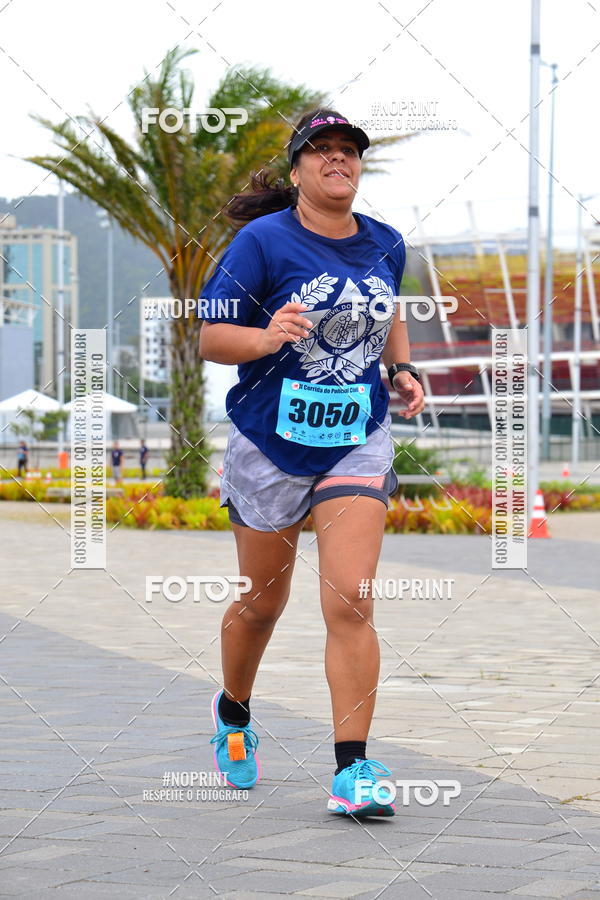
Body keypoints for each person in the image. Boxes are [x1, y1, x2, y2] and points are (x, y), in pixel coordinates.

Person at [199, 108, 425, 818]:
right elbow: (211, 337)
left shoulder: (386, 242)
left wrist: (403, 369)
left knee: (351, 597)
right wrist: (265, 340)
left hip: (356, 436)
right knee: (263, 604)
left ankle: (352, 771)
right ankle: (233, 716)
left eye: (348, 152)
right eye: (321, 151)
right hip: (269, 444)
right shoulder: (261, 242)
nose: (338, 160)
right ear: (296, 170)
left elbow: (388, 310)